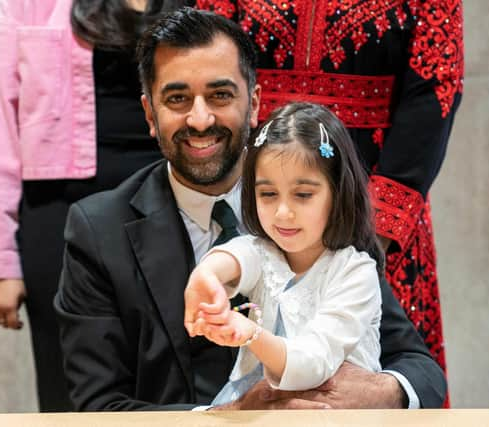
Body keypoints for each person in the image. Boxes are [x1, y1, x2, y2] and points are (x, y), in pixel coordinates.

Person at [55, 7, 446, 411]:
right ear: (150, 114)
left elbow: (420, 370)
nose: (201, 118)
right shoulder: (98, 231)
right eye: (177, 99)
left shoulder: (318, 216)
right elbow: (98, 406)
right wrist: (230, 418)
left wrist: (382, 392)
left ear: (255, 102)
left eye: (220, 95)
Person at [195, 0, 465, 381]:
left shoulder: (358, 265)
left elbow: (434, 88)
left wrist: (373, 232)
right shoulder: (260, 240)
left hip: (374, 205)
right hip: (259, 183)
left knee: (379, 373)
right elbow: (210, 48)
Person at [0, 0, 185, 411]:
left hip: (173, 203)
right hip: (59, 211)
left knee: (172, 371)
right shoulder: (26, 6)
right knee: (70, 376)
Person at [184, 102, 384, 405]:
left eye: (303, 195)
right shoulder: (262, 250)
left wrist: (251, 334)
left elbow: (314, 362)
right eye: (268, 194)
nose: (283, 213)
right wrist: (204, 277)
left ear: (339, 191)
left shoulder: (355, 272)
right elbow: (234, 257)